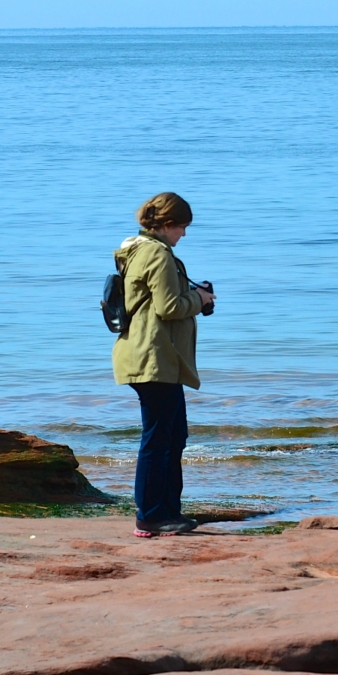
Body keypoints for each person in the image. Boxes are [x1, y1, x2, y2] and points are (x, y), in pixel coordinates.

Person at [112, 192, 215, 537]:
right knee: (159, 439)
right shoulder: (155, 253)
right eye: (182, 227)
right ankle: (151, 515)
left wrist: (193, 295)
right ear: (168, 225)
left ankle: (167, 510)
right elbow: (169, 307)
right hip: (152, 358)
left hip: (155, 357)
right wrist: (199, 300)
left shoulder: (140, 249)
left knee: (173, 436)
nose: (184, 234)